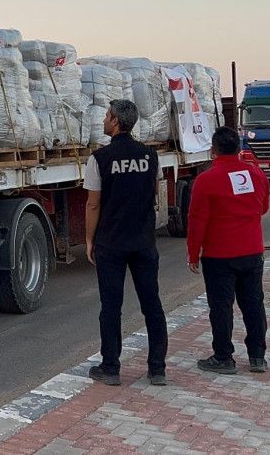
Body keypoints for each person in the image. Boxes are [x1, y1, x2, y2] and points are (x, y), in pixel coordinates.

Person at [84, 99, 167, 386]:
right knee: (152, 305)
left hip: (111, 243)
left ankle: (110, 368)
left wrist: (89, 239)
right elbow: (154, 191)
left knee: (111, 307)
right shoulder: (150, 156)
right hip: (143, 241)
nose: (103, 120)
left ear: (116, 122)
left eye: (107, 116)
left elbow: (93, 204)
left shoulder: (99, 158)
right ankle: (157, 369)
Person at [187, 126, 270, 374]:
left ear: (213, 150)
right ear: (239, 148)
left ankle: (223, 357)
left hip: (219, 255)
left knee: (221, 307)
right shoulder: (255, 173)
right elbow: (264, 207)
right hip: (252, 251)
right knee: (254, 304)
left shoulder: (206, 180)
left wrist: (193, 253)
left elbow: (197, 220)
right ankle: (257, 356)